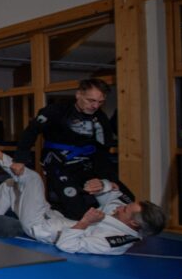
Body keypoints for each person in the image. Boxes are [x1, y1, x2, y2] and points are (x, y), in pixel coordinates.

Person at [0, 127, 165, 254]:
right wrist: (103, 184)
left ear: (133, 224)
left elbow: (66, 245)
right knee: (11, 185)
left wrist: (84, 223)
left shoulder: (113, 241)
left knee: (32, 179)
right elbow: (113, 193)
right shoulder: (123, 212)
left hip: (42, 229)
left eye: (125, 210)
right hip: (51, 216)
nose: (120, 208)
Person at [11, 78, 131, 220]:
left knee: (127, 199)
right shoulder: (55, 111)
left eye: (100, 102)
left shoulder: (100, 118)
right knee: (77, 210)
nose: (95, 106)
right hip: (59, 165)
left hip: (88, 165)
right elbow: (31, 132)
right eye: (90, 100)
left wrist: (109, 179)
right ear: (78, 94)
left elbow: (102, 151)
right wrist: (19, 159)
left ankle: (111, 223)